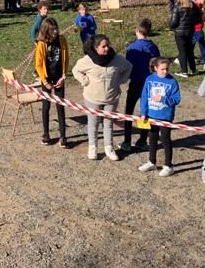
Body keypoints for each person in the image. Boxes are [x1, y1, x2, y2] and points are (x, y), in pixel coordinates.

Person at [73, 34, 132, 161]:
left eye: (108, 46)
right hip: (92, 98)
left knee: (108, 123)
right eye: (103, 46)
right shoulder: (87, 60)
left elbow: (128, 67)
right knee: (93, 123)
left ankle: (109, 148)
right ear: (95, 48)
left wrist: (120, 80)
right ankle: (92, 147)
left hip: (111, 97)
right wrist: (84, 81)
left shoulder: (117, 59)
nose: (107, 49)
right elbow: (75, 70)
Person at [137, 57, 181, 177]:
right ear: (155, 68)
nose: (165, 71)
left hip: (165, 116)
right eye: (162, 69)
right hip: (152, 115)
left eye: (167, 69)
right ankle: (152, 161)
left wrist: (163, 99)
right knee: (152, 139)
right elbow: (144, 96)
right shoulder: (150, 79)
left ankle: (168, 165)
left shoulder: (172, 81)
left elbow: (177, 99)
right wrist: (143, 112)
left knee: (166, 140)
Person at [122, 19, 159, 152]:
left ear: (137, 30)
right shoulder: (154, 47)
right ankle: (142, 139)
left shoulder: (133, 48)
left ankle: (127, 141)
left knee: (128, 111)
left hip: (136, 83)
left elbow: (128, 66)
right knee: (145, 112)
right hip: (149, 84)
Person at [34, 17, 69, 148]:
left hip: (59, 77)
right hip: (47, 78)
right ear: (46, 30)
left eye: (56, 29)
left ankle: (63, 136)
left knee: (60, 106)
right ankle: (46, 134)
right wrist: (44, 81)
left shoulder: (62, 40)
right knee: (46, 106)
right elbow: (38, 64)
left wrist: (64, 76)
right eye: (52, 30)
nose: (55, 32)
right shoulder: (42, 43)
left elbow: (66, 59)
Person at [168, 0, 199, 78]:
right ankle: (193, 69)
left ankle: (184, 71)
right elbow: (198, 18)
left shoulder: (177, 7)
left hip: (180, 33)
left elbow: (173, 23)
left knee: (182, 51)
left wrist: (170, 25)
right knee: (190, 51)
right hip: (190, 31)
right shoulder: (193, 6)